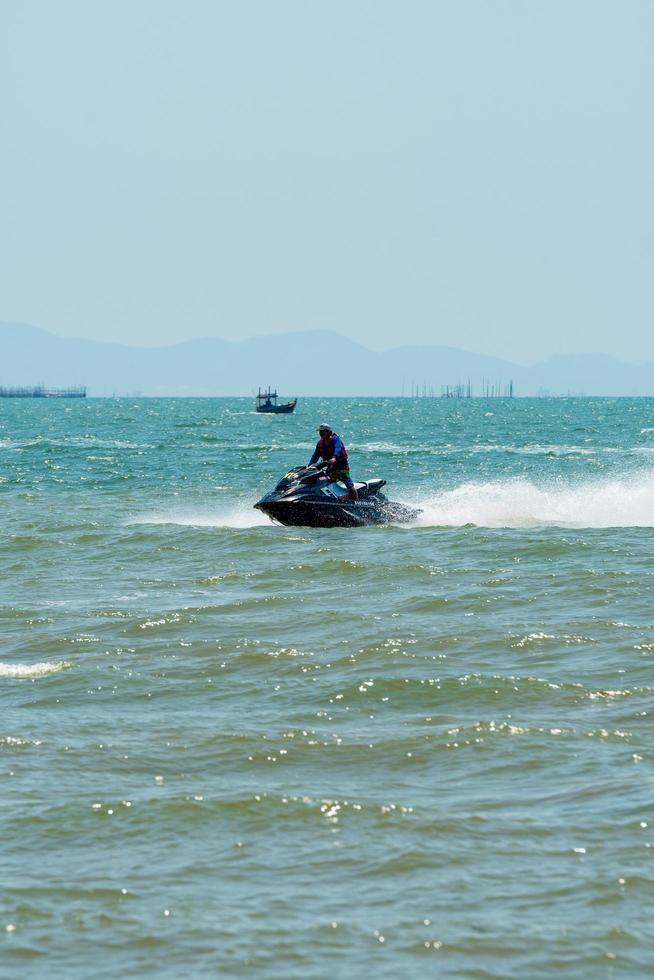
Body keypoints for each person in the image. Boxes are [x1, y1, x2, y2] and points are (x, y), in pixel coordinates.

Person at [309, 424, 359, 500]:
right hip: (331, 467)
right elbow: (315, 455)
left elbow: (338, 448)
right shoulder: (320, 443)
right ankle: (331, 499)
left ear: (328, 431)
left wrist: (334, 457)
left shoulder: (335, 439)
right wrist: (310, 466)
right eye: (320, 431)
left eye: (322, 431)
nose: (321, 433)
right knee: (326, 482)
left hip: (341, 466)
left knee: (349, 484)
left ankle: (356, 501)